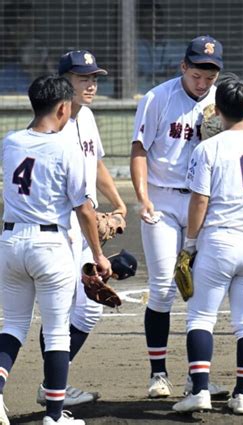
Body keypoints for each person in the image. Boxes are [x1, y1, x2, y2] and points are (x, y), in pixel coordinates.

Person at [172, 76, 243, 415]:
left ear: (217, 110)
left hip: (218, 242)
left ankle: (200, 391)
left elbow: (199, 202)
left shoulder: (208, 148)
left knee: (200, 318)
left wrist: (190, 244)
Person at [0, 75, 111, 425]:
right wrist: (98, 254)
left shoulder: (10, 141)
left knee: (13, 325)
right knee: (58, 330)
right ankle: (53, 415)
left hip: (10, 241)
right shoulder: (68, 148)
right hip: (50, 245)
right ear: (63, 108)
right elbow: (84, 209)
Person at [130, 35, 228, 398]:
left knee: (200, 291)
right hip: (163, 199)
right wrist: (143, 199)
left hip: (204, 202)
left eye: (210, 75)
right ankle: (158, 374)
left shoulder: (223, 102)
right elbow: (140, 149)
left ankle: (196, 377)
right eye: (197, 73)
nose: (202, 82)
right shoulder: (158, 98)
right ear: (183, 66)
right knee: (162, 287)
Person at [35, 50, 127, 407]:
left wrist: (117, 203)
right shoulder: (53, 125)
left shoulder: (86, 116)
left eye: (94, 78)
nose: (91, 84)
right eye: (83, 78)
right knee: (63, 309)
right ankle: (51, 389)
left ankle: (52, 382)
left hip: (85, 224)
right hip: (64, 226)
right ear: (64, 81)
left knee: (89, 307)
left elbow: (96, 163)